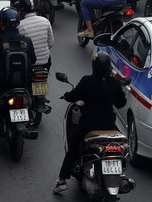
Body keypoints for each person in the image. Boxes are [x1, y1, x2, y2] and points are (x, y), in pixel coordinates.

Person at [54, 52, 128, 194]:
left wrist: (67, 96)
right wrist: (119, 89)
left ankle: (62, 180)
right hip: (109, 126)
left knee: (73, 147)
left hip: (89, 126)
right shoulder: (114, 82)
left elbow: (73, 96)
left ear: (94, 66)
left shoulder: (87, 81)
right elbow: (121, 103)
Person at [0, 7, 36, 112]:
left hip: (1, 82)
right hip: (23, 83)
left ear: (3, 22)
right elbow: (33, 59)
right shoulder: (26, 40)